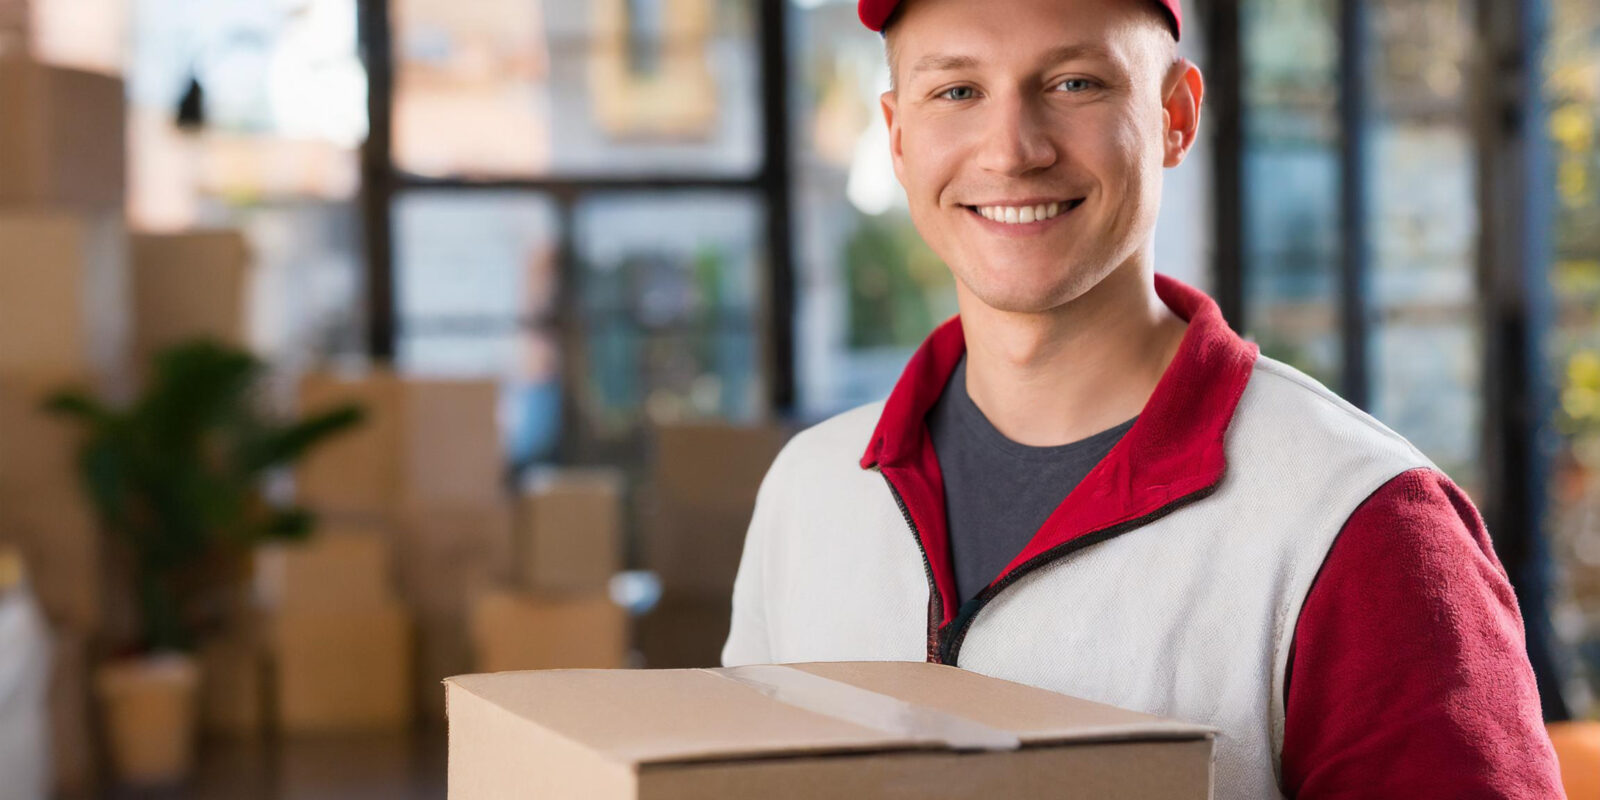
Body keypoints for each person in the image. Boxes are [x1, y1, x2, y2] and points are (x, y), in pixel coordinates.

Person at [721, 0, 1567, 796]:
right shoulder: (811, 488)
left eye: (1073, 83)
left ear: (1176, 115)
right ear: (900, 137)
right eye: (958, 91)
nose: (1012, 149)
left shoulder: (1359, 519)